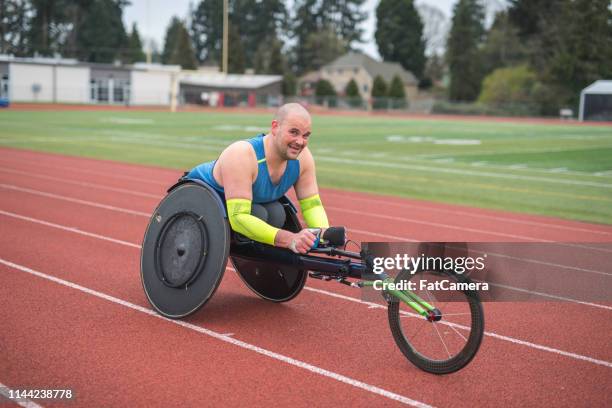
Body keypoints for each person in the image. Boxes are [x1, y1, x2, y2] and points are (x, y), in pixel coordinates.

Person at [187, 103, 330, 254]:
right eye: (294, 132)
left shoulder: (303, 158)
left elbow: (312, 205)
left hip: (249, 203)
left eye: (305, 135)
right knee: (259, 214)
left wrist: (325, 235)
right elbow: (239, 217)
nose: (300, 142)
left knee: (276, 213)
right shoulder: (241, 154)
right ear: (275, 127)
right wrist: (290, 239)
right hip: (198, 201)